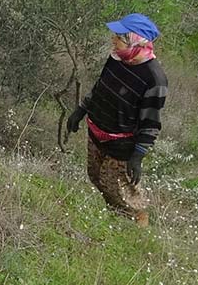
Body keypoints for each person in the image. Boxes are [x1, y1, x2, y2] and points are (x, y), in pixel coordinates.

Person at [66, 13, 168, 227]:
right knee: (95, 176)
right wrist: (81, 110)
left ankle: (138, 224)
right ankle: (114, 215)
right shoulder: (116, 58)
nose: (113, 39)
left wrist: (138, 155)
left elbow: (151, 121)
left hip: (122, 144)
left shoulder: (154, 79)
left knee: (120, 189)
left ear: (135, 40)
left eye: (119, 36)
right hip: (97, 131)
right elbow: (101, 87)